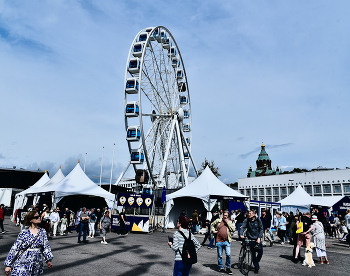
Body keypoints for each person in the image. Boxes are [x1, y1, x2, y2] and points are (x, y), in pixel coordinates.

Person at [4, 210, 53, 275]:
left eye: (39, 216)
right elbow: (15, 248)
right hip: (23, 261)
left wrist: (48, 260)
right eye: (36, 217)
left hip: (36, 263)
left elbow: (46, 247)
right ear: (30, 220)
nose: (39, 217)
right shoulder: (24, 232)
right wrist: (8, 265)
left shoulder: (42, 232)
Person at [211, 210, 235, 274]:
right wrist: (214, 231)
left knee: (228, 254)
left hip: (227, 241)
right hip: (219, 241)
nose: (225, 217)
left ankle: (227, 267)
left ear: (228, 216)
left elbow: (233, 229)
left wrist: (228, 223)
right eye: (224, 215)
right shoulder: (218, 221)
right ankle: (221, 267)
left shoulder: (229, 222)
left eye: (227, 216)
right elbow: (212, 224)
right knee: (220, 255)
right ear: (222, 215)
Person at [241, 209, 263, 274]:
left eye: (250, 213)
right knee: (253, 254)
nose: (249, 214)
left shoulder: (258, 220)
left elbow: (261, 229)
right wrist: (241, 234)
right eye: (249, 213)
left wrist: (259, 237)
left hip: (257, 240)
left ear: (254, 214)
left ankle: (256, 261)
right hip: (251, 240)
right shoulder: (247, 220)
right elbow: (243, 227)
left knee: (260, 253)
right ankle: (256, 267)